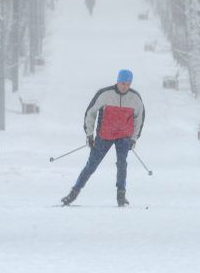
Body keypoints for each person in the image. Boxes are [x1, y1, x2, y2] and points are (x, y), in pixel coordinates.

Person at [61, 69, 145, 207]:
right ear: (117, 81)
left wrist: (134, 138)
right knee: (91, 165)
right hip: (104, 135)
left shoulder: (135, 98)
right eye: (122, 83)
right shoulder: (104, 94)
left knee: (122, 164)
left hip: (124, 136)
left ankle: (121, 195)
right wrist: (89, 135)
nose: (125, 86)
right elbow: (91, 113)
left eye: (128, 84)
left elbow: (139, 119)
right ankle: (73, 193)